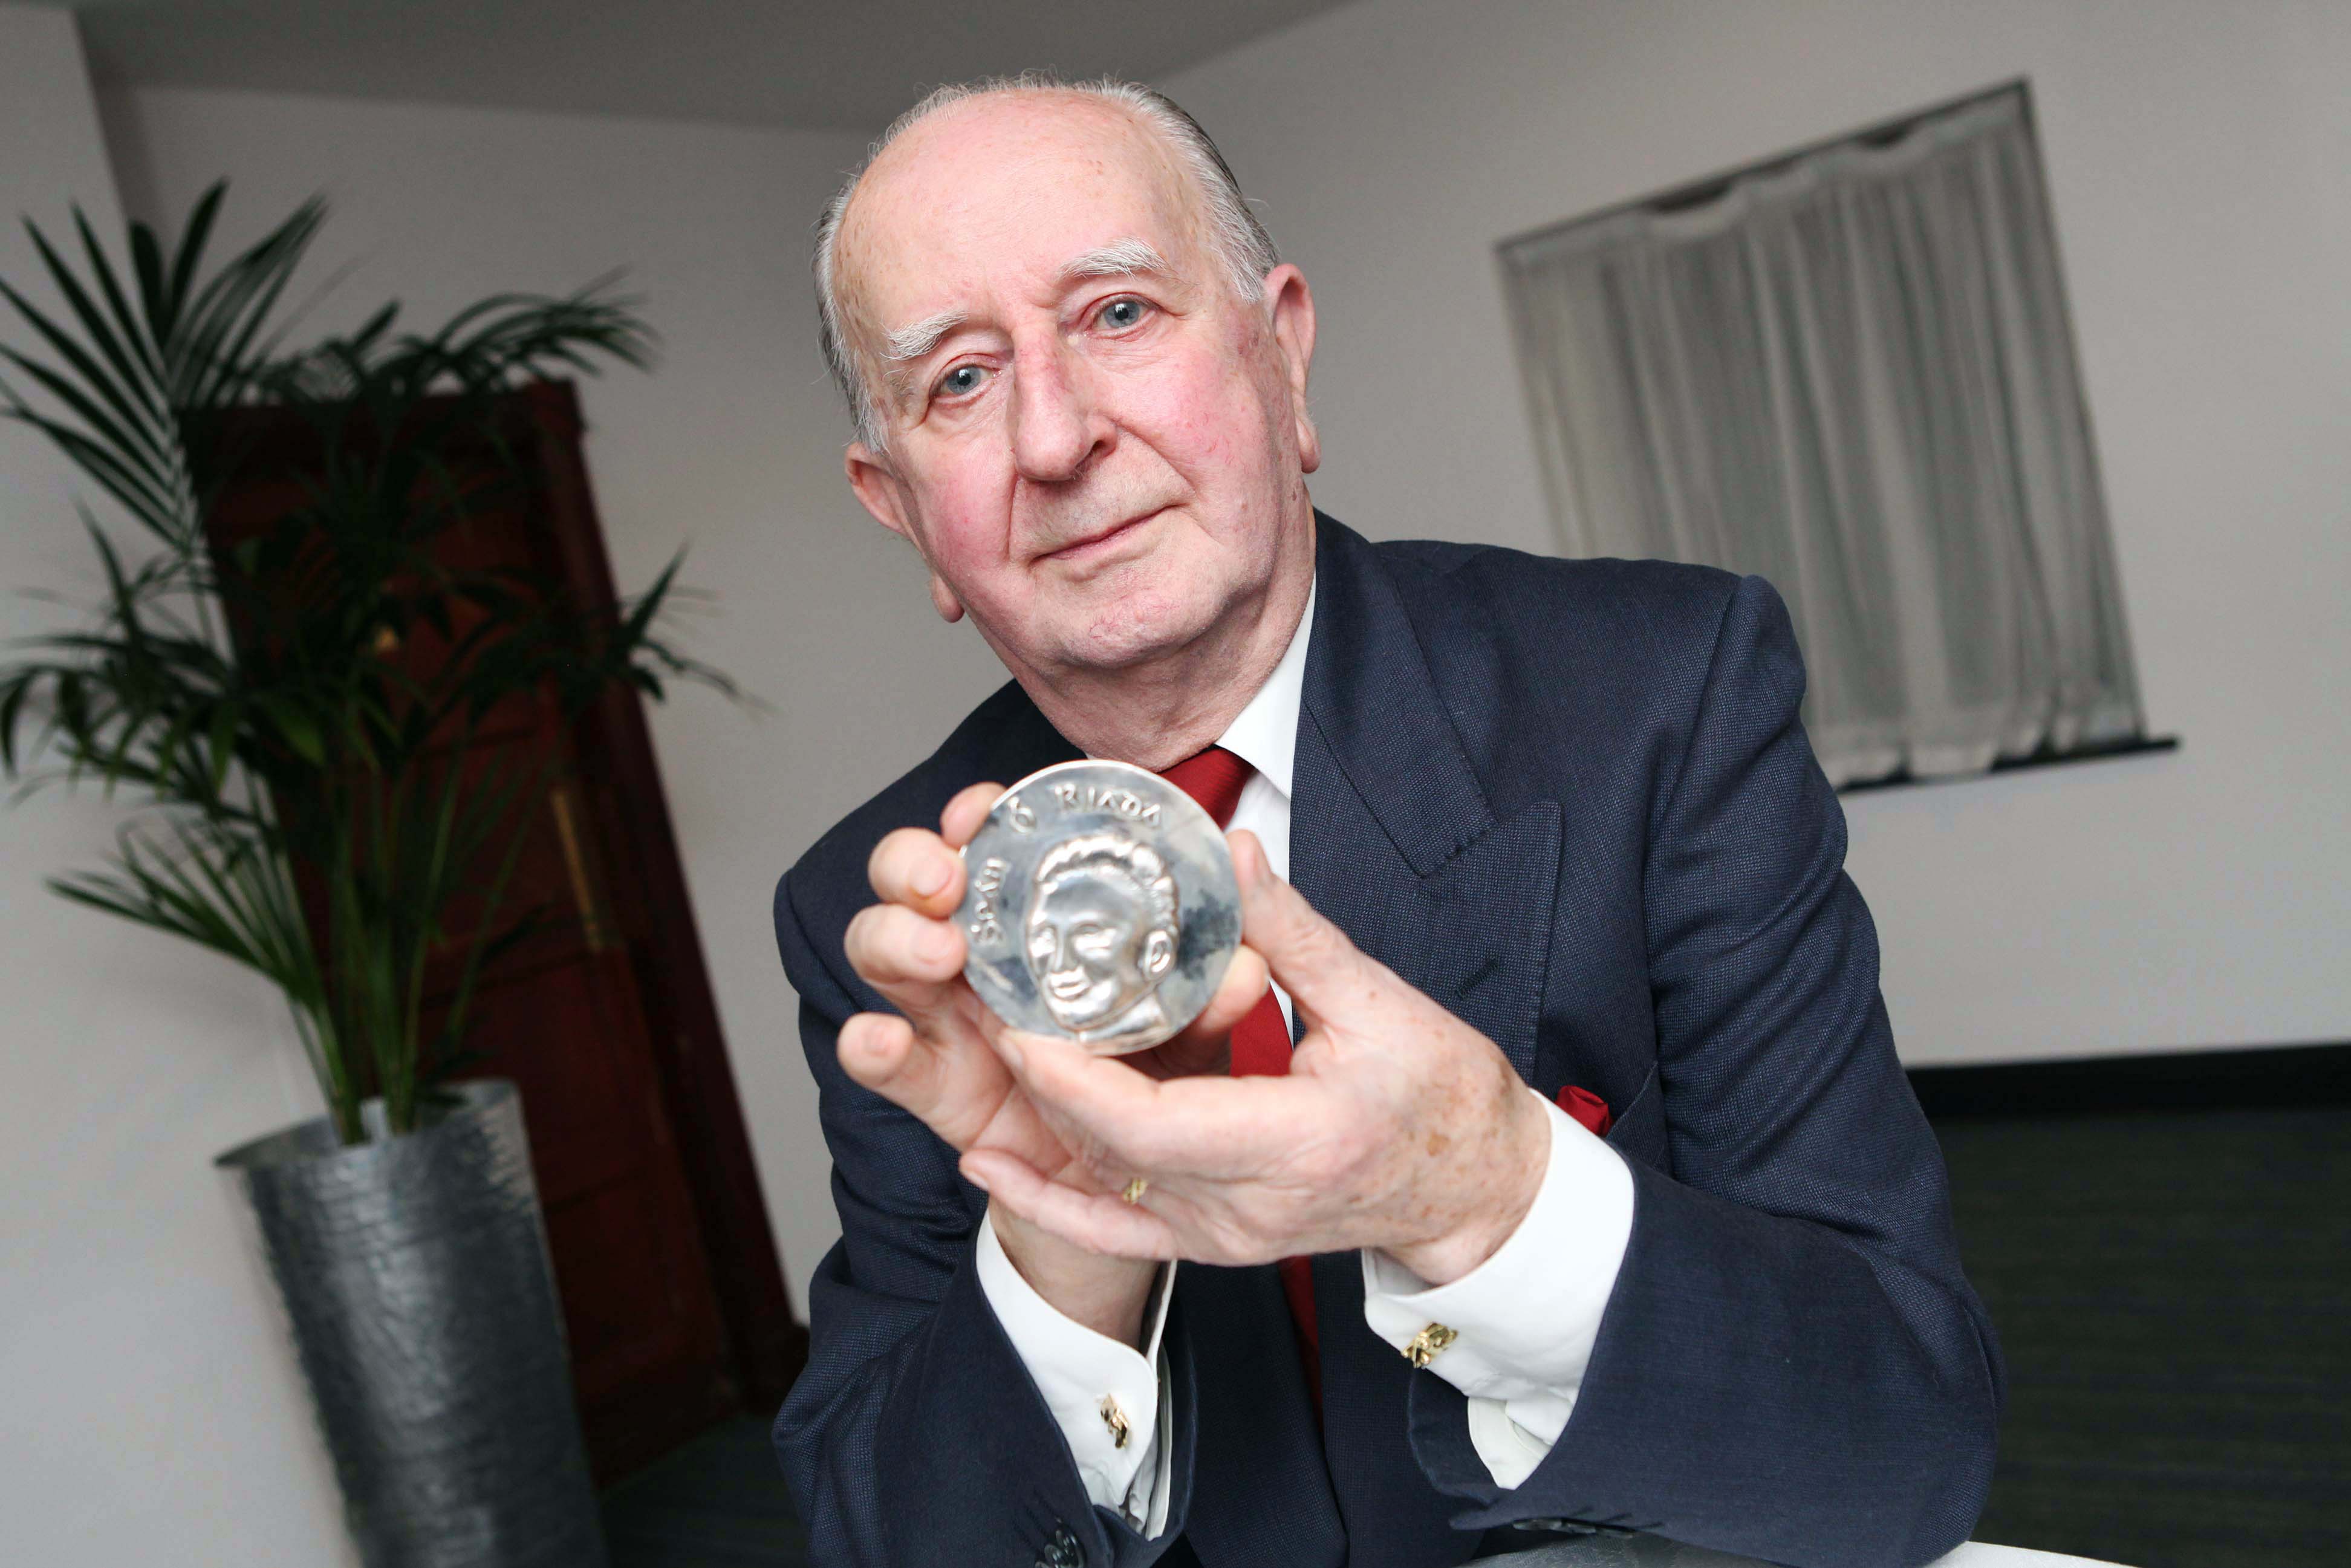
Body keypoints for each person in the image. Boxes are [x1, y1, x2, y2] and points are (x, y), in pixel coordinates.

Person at [770, 72, 2001, 1568]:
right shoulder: (889, 911)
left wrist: (1484, 1191)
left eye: (1118, 314)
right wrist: (1057, 1247)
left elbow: (1907, 1441)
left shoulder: (1661, 698)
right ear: (900, 505)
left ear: (1282, 354)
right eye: (961, 380)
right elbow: (890, 1534)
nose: (1054, 435)